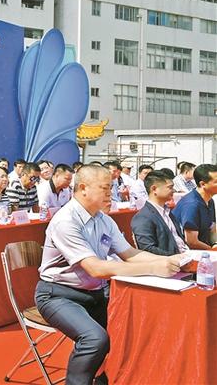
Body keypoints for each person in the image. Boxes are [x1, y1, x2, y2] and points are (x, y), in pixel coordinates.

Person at [35, 165, 183, 385]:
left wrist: (170, 261)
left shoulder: (103, 219)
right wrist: (152, 268)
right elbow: (95, 268)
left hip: (95, 293)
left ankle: (104, 380)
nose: (110, 193)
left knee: (130, 330)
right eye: (105, 188)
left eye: (111, 187)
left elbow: (129, 254)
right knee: (94, 339)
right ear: (83, 188)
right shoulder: (66, 221)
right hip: (59, 295)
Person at [131, 171, 188, 256]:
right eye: (170, 187)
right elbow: (147, 249)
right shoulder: (143, 217)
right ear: (154, 189)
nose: (173, 190)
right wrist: (175, 257)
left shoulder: (168, 212)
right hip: (170, 260)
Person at [172, 163, 217, 250]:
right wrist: (212, 251)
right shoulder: (191, 205)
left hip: (205, 248)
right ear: (203, 184)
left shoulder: (209, 200)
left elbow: (212, 228)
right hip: (186, 252)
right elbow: (192, 242)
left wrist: (215, 244)